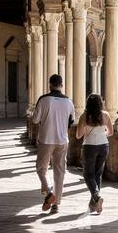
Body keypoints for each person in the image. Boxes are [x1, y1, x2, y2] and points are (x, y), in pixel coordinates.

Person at [33, 74, 75, 214]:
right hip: (62, 140)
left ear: (49, 84)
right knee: (59, 171)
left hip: (46, 139)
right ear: (61, 85)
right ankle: (56, 204)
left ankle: (49, 193)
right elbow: (71, 122)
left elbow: (35, 120)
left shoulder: (43, 100)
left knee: (41, 168)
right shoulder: (69, 102)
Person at [76, 93, 113, 214]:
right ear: (100, 103)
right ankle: (94, 205)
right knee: (98, 175)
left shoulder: (84, 116)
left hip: (89, 147)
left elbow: (78, 135)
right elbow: (111, 132)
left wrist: (89, 132)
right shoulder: (106, 115)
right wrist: (101, 134)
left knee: (88, 175)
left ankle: (97, 197)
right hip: (104, 146)